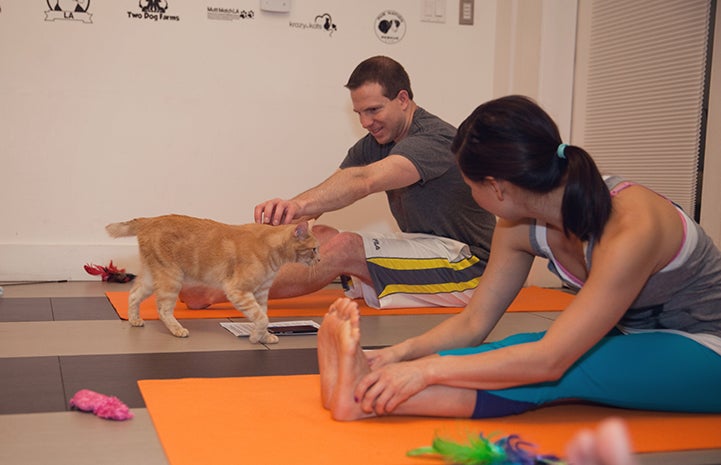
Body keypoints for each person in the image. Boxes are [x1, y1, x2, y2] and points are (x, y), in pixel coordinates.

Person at [318, 95, 721, 421]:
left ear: (497, 187)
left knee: (560, 367)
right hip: (639, 338)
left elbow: (550, 361)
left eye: (469, 184)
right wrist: (398, 355)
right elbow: (474, 323)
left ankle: (361, 400)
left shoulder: (631, 227)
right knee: (515, 348)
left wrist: (426, 369)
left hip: (707, 347)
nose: (470, 195)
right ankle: (365, 387)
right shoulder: (518, 226)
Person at [181, 56, 495, 309]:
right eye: (359, 112)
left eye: (373, 110)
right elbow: (326, 196)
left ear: (402, 99)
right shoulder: (377, 140)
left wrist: (300, 204)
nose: (365, 122)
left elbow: (365, 180)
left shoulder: (436, 138)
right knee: (318, 235)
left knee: (344, 247)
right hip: (430, 251)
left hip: (471, 269)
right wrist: (231, 248)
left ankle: (217, 291)